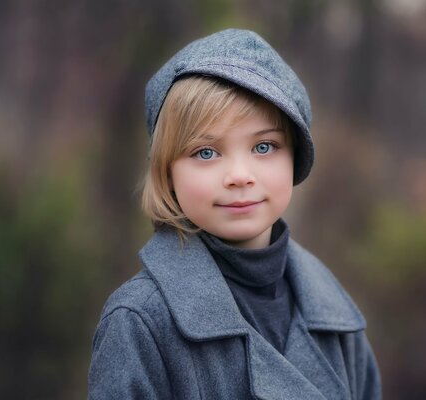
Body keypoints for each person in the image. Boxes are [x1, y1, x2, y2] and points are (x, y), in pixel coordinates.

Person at [88, 29, 381, 399]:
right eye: (206, 152)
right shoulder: (140, 322)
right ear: (168, 172)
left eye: (264, 146)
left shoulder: (337, 319)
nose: (240, 176)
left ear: (295, 158)